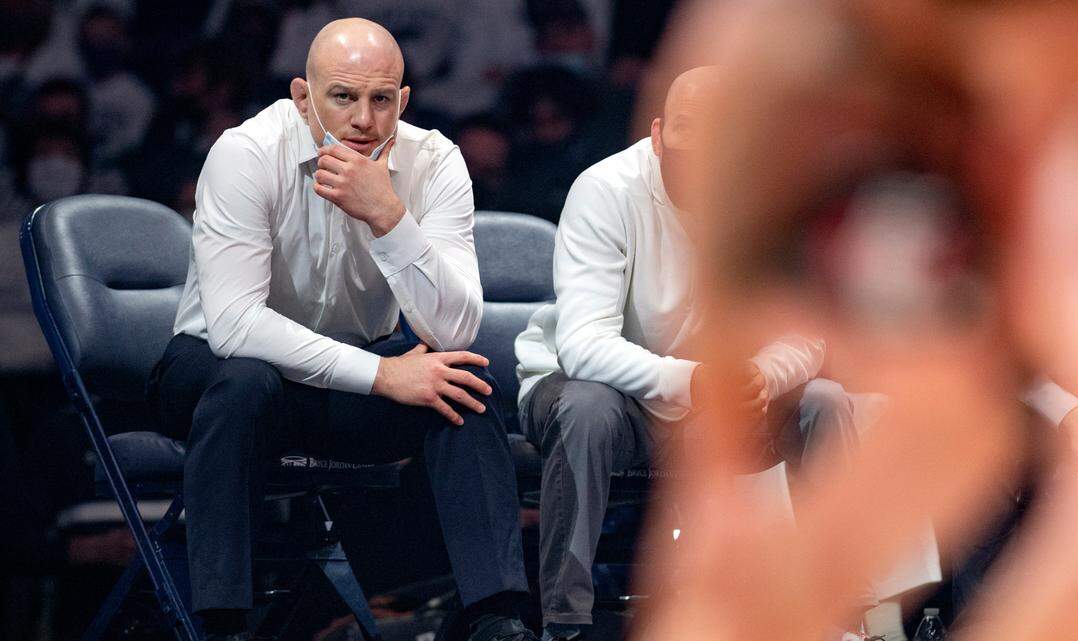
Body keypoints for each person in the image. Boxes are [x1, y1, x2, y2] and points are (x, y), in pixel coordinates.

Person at [149, 19, 535, 641]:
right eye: (343, 97)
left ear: (403, 102)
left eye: (381, 100)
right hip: (218, 377)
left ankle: (496, 618)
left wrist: (389, 216)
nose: (363, 119)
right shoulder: (245, 152)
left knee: (462, 388)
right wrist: (384, 375)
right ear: (304, 97)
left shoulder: (434, 162)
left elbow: (456, 326)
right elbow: (234, 326)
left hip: (347, 383)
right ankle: (219, 623)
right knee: (246, 382)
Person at [513, 66, 862, 641]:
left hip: (720, 404)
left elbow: (807, 329)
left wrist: (761, 374)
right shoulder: (606, 190)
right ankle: (565, 622)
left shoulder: (773, 194)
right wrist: (696, 382)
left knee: (824, 402)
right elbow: (582, 346)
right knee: (587, 408)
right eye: (686, 129)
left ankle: (841, 614)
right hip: (605, 398)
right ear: (656, 134)